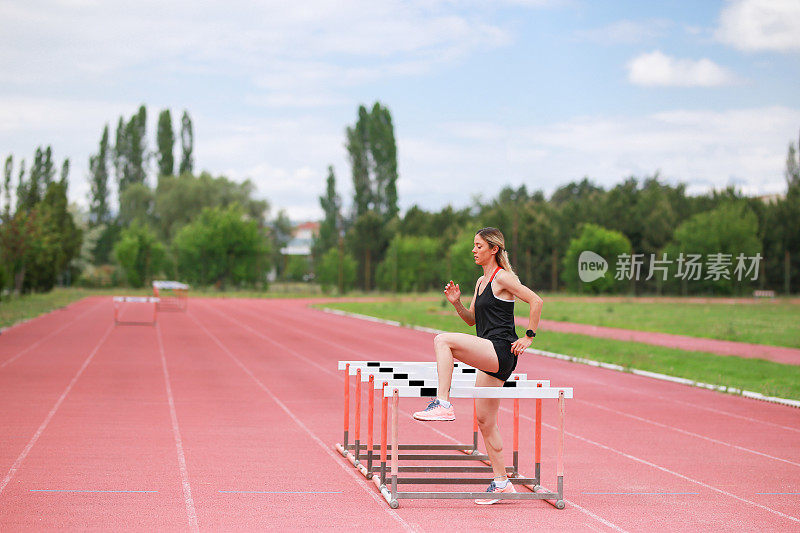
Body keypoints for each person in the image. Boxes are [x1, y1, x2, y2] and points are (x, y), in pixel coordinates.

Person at [412, 227, 543, 504]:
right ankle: (501, 481)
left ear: (493, 249)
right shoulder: (480, 282)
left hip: (500, 350)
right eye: (473, 245)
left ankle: (443, 404)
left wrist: (529, 337)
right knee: (485, 420)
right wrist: (457, 304)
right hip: (489, 353)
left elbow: (536, 300)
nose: (474, 250)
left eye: (478, 245)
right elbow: (472, 320)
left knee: (443, 341)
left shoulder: (502, 277)